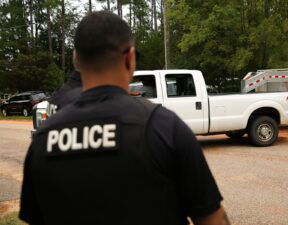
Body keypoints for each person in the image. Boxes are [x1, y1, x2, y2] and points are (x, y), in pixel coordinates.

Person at [19, 11, 229, 225]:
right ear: (129, 57)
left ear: (76, 60)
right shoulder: (164, 127)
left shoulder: (43, 141)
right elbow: (213, 220)